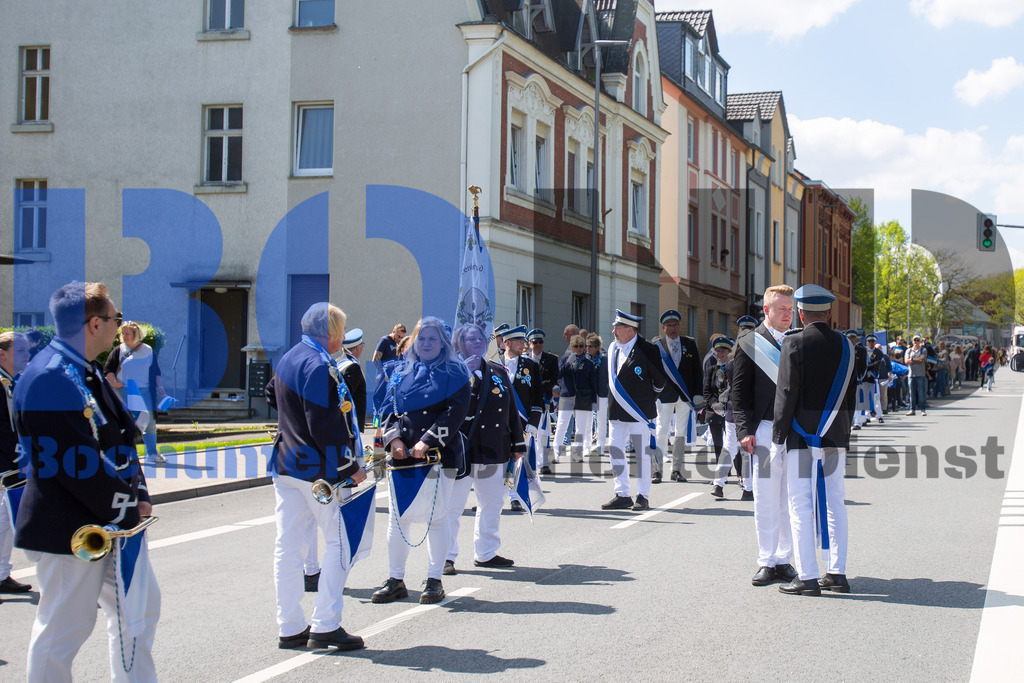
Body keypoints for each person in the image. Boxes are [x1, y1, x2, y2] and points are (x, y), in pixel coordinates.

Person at [15, 281, 160, 680]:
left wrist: (140, 493)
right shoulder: (49, 377)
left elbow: (120, 438)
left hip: (109, 522)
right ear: (94, 324)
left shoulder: (85, 371)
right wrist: (128, 507)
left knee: (139, 616)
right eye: (114, 319)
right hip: (69, 527)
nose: (118, 326)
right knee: (63, 630)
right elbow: (71, 464)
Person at [265, 303, 366, 651]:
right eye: (340, 330)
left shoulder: (291, 357)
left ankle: (290, 625)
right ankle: (326, 623)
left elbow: (271, 394)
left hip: (287, 463)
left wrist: (292, 424)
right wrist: (350, 467)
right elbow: (324, 426)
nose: (342, 337)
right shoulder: (322, 366)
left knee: (288, 547)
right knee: (341, 543)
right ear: (332, 332)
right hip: (319, 473)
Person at [372, 318, 471, 605]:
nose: (426, 343)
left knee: (437, 518)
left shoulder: (456, 371)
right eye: (421, 338)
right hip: (402, 455)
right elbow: (387, 407)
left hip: (438, 456)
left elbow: (455, 412)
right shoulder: (400, 369)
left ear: (442, 343)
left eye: (432, 339)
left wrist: (426, 440)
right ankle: (395, 579)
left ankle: (434, 580)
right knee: (398, 519)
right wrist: (394, 439)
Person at [773, 284, 857, 596]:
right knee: (835, 501)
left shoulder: (793, 342)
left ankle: (807, 575)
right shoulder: (847, 346)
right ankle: (837, 572)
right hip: (835, 435)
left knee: (800, 503)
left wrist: (778, 436)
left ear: (800, 312)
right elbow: (850, 396)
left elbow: (786, 392)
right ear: (830, 312)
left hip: (801, 435)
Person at [444, 323, 525, 575]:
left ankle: (486, 552)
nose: (477, 344)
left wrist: (517, 442)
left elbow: (510, 407)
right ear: (460, 344)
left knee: (490, 503)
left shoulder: (497, 370)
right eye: (471, 340)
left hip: (493, 447)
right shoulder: (449, 371)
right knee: (453, 507)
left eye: (481, 339)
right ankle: (446, 556)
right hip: (461, 451)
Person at [733, 284, 798, 586]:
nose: (788, 314)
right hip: (764, 431)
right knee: (766, 497)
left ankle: (785, 559)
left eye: (790, 309)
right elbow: (739, 392)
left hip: (795, 433)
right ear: (766, 310)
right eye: (781, 309)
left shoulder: (799, 340)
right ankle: (766, 560)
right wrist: (744, 430)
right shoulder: (749, 342)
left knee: (791, 497)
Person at [602, 309, 667, 511]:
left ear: (630, 330)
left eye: (618, 327)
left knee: (642, 454)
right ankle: (622, 493)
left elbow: (660, 381)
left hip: (639, 412)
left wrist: (647, 400)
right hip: (616, 412)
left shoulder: (648, 349)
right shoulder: (613, 348)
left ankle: (643, 495)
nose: (613, 330)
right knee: (616, 451)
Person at [104, 321, 168, 464]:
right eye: (123, 333)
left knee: (149, 422)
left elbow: (156, 371)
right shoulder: (119, 350)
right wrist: (114, 383)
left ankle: (151, 454)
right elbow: (108, 370)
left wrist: (160, 387)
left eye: (127, 333)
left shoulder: (148, 350)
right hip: (124, 391)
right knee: (125, 422)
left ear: (136, 334)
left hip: (144, 391)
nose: (124, 336)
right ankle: (122, 455)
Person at [0, 332, 32, 599]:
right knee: (6, 518)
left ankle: (1, 574)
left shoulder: (12, 381)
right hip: (5, 461)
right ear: (2, 354)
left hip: (9, 460)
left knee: (6, 520)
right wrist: (17, 455)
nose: (27, 356)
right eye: (20, 351)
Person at [651, 310, 701, 484]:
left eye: (675, 325)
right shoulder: (657, 345)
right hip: (665, 394)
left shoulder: (689, 343)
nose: (673, 328)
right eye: (669, 325)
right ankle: (656, 470)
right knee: (662, 430)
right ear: (663, 327)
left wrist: (697, 393)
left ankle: (677, 469)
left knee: (681, 433)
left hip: (685, 395)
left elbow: (696, 371)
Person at [501, 325, 543, 512]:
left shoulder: (531, 366)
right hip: (496, 421)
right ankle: (491, 498)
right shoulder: (492, 364)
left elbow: (537, 398)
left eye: (523, 341)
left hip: (521, 421)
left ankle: (514, 496)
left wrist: (533, 422)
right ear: (506, 343)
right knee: (494, 463)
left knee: (517, 460)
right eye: (519, 341)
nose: (523, 345)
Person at [552, 335, 597, 463]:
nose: (578, 349)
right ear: (571, 347)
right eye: (576, 346)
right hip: (567, 395)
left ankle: (577, 453)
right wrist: (567, 364)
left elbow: (593, 382)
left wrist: (594, 401)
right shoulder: (565, 359)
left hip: (583, 396)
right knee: (562, 424)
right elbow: (559, 374)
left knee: (580, 427)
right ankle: (555, 453)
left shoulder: (588, 362)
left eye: (581, 346)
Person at [527, 329, 560, 473]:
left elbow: (553, 379)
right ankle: (528, 463)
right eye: (535, 342)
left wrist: (536, 388)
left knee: (544, 433)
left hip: (544, 401)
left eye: (540, 342)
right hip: (527, 402)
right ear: (529, 343)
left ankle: (544, 463)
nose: (538, 345)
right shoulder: (524, 359)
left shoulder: (551, 359)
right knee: (528, 433)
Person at [586, 334, 609, 455]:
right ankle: (587, 446)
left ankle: (601, 445)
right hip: (588, 394)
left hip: (602, 394)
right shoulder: (585, 360)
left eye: (590, 346)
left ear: (597, 347)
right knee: (588, 420)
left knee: (601, 420)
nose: (588, 349)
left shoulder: (604, 360)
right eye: (587, 346)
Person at [864, 334, 885, 423]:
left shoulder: (878, 352)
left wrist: (867, 367)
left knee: (876, 397)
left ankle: (879, 415)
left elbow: (877, 363)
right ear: (867, 342)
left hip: (874, 376)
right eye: (869, 341)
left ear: (875, 342)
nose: (871, 343)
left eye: (873, 341)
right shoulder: (864, 351)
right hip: (864, 377)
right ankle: (867, 416)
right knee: (865, 397)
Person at [905, 335, 928, 416]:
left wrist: (912, 360)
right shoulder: (908, 350)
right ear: (912, 341)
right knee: (912, 393)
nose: (916, 341)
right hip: (911, 375)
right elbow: (906, 361)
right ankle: (912, 409)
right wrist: (915, 359)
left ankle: (923, 409)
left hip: (920, 374)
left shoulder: (923, 349)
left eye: (918, 340)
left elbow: (922, 359)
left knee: (921, 393)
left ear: (920, 341)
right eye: (915, 340)